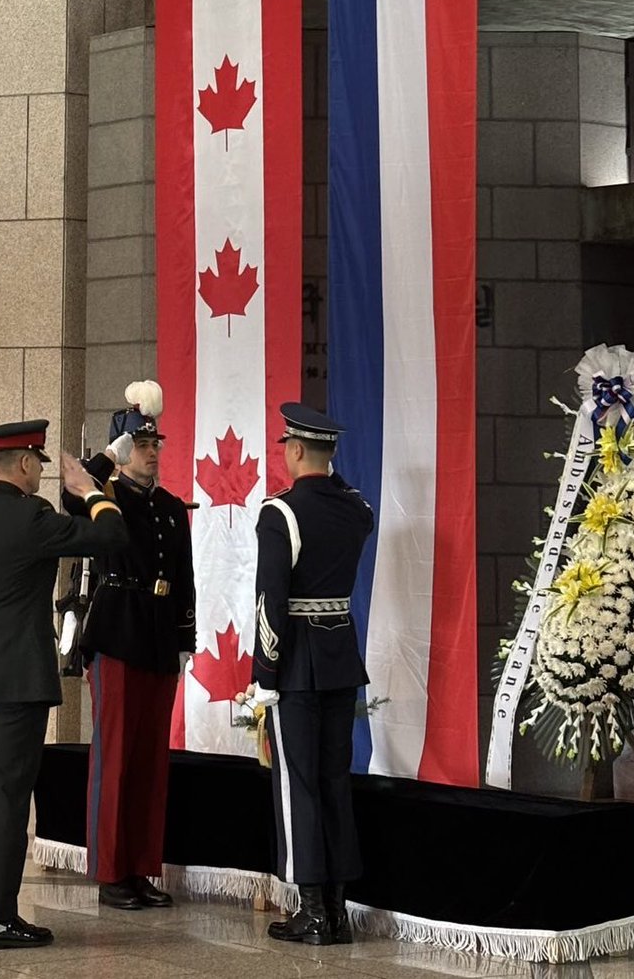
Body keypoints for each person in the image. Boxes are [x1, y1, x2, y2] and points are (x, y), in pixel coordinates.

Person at [0, 420, 128, 950]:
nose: (40, 473)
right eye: (38, 464)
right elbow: (111, 535)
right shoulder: (32, 518)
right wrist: (90, 490)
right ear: (24, 463)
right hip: (18, 681)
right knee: (7, 799)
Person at [63, 380, 195, 910]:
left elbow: (184, 578)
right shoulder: (105, 499)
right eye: (140, 445)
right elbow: (69, 499)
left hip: (159, 636)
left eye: (154, 443)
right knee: (115, 757)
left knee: (150, 761)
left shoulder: (170, 506)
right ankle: (111, 872)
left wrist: (184, 637)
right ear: (123, 450)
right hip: (117, 632)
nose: (151, 452)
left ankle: (141, 867)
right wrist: (105, 459)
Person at [249, 403, 375, 946]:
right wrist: (328, 468)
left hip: (296, 664)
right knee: (333, 782)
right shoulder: (356, 510)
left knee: (297, 785)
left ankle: (314, 911)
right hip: (340, 657)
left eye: (288, 447)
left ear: (295, 450)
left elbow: (270, 601)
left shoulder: (280, 513)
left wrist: (264, 674)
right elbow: (344, 494)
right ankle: (338, 911)